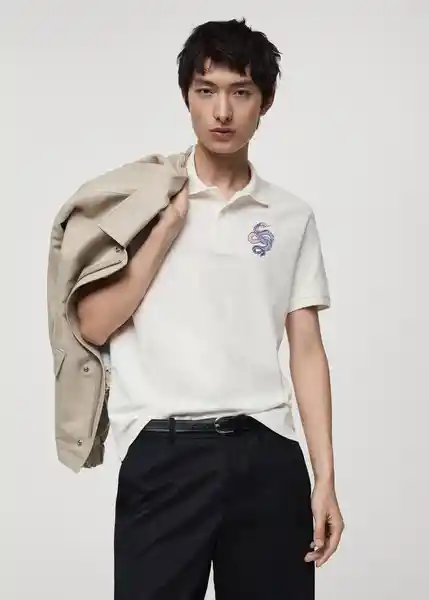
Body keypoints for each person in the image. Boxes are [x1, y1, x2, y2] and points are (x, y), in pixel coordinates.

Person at [75, 18, 344, 600]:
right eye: (206, 91)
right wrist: (165, 230)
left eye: (240, 92)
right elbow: (92, 325)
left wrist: (324, 477)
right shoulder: (140, 203)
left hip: (267, 452)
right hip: (164, 451)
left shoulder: (290, 217)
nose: (222, 111)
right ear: (187, 98)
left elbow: (307, 349)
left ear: (264, 103)